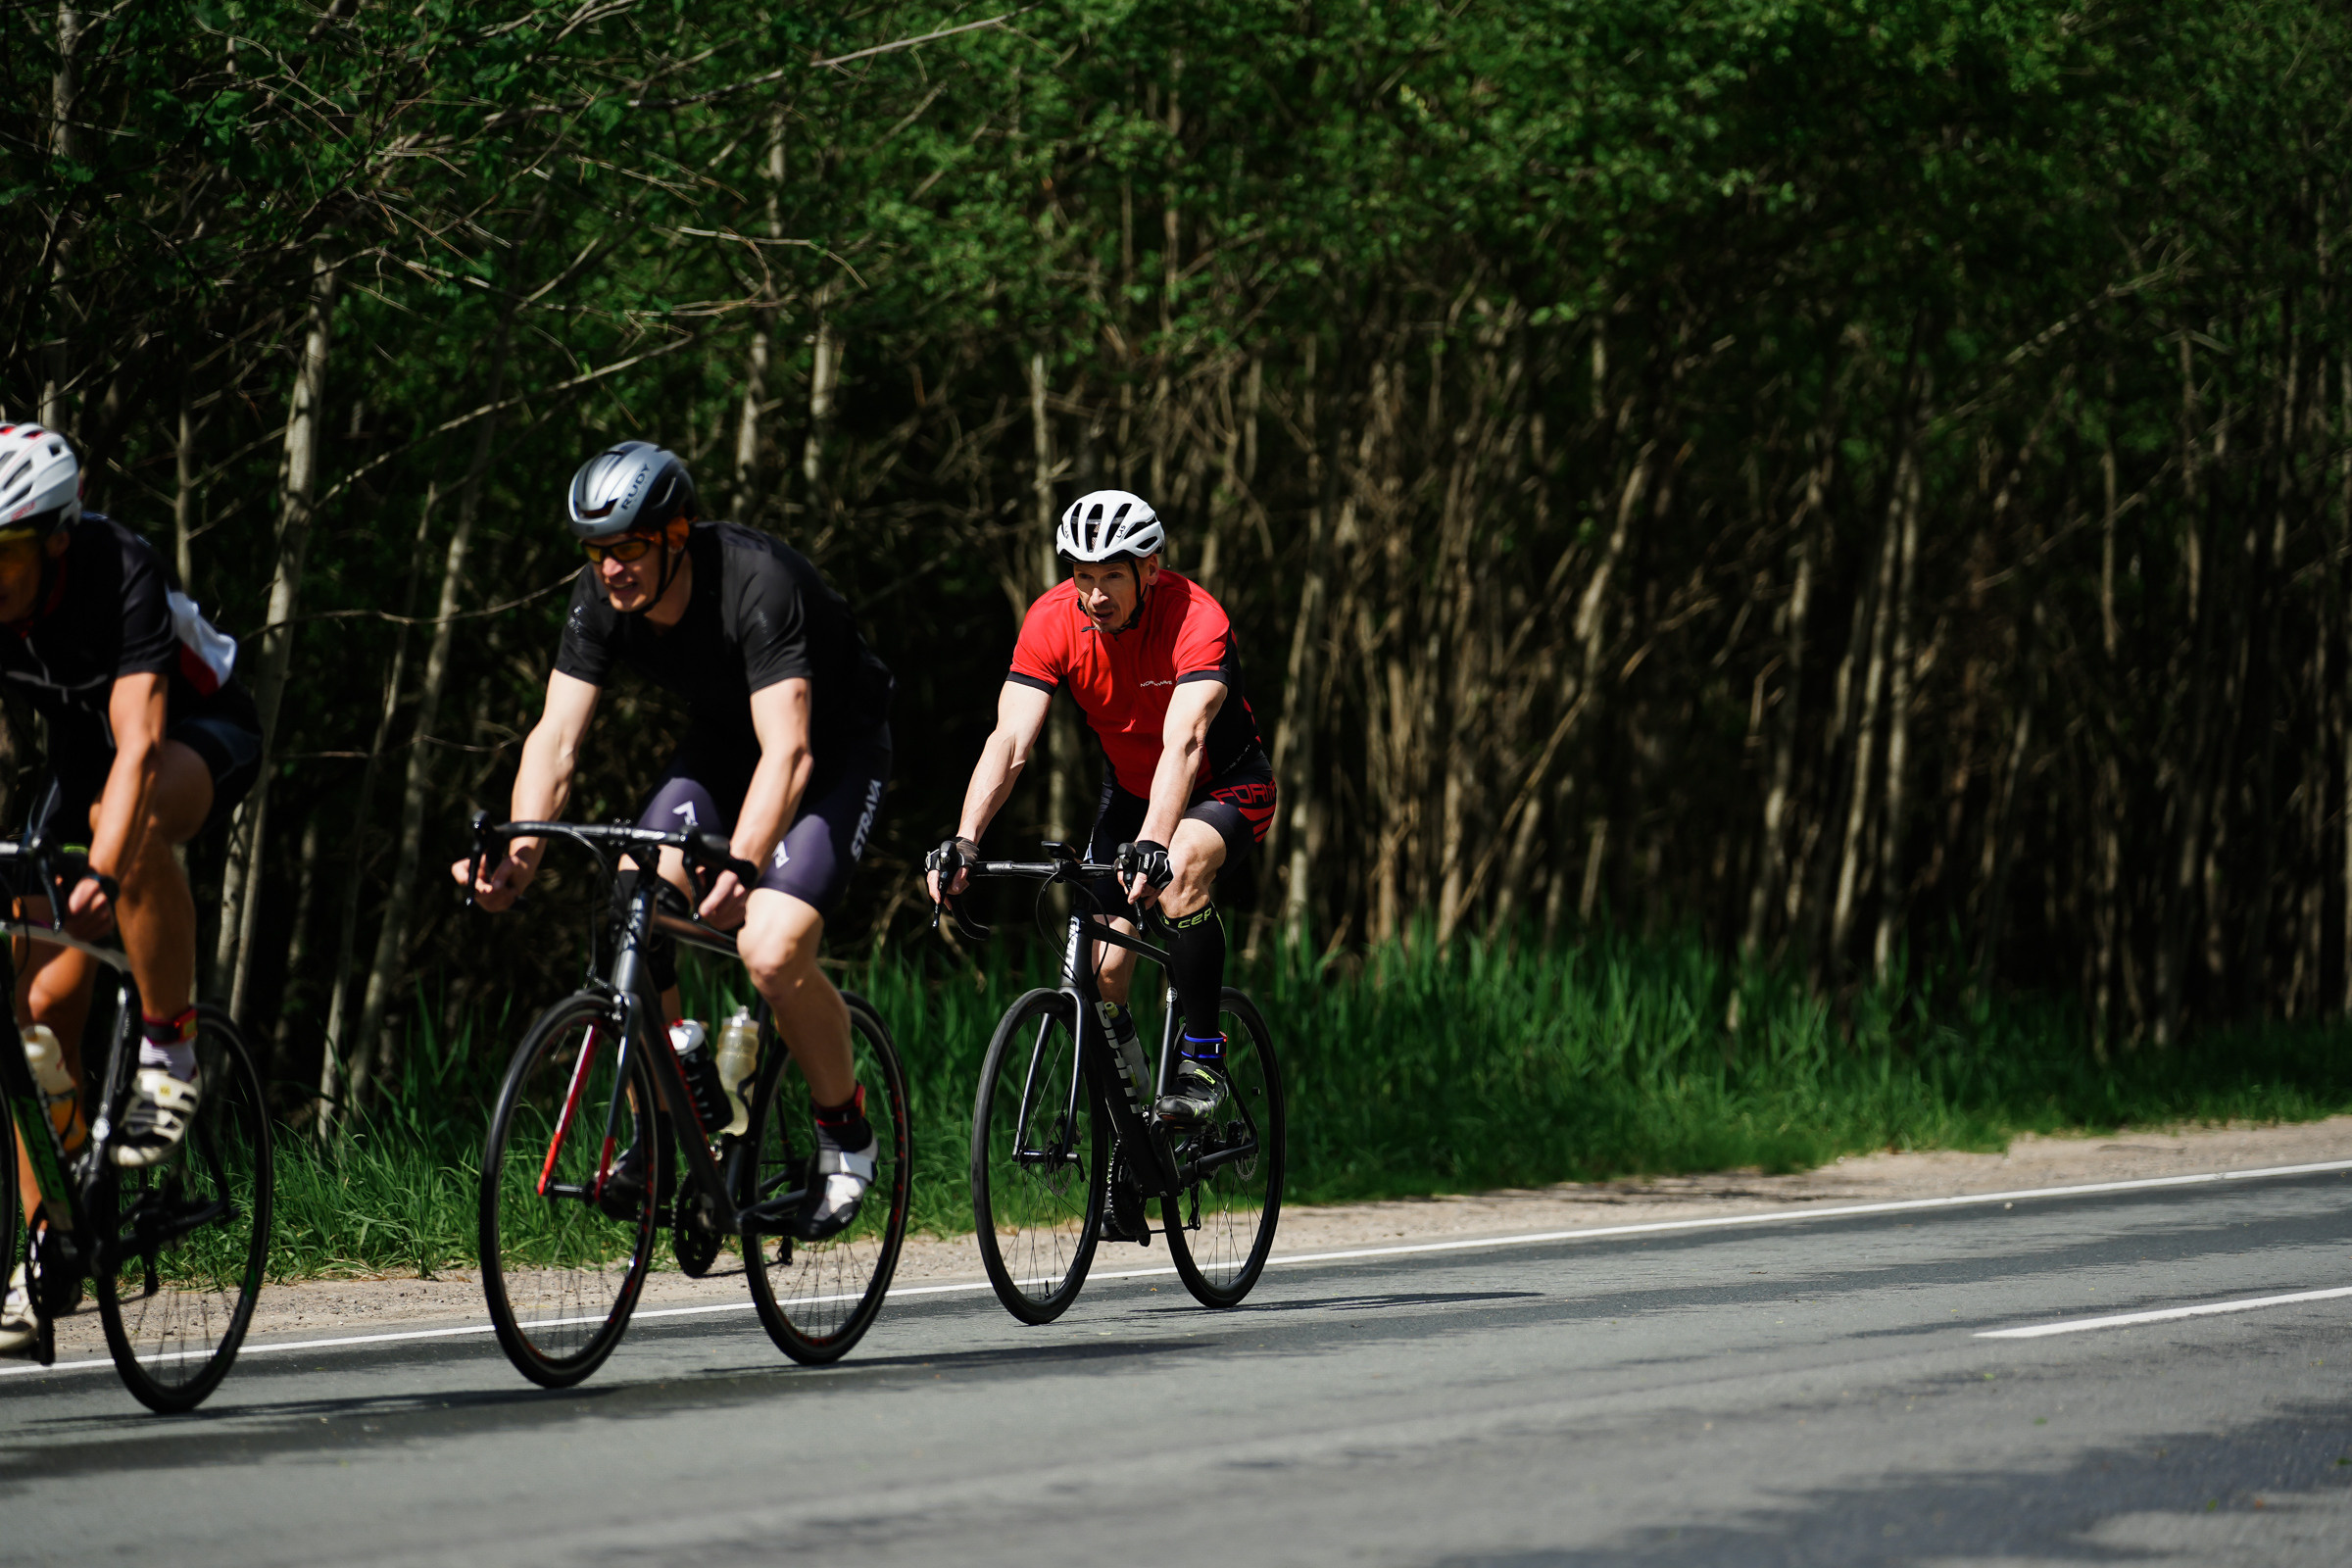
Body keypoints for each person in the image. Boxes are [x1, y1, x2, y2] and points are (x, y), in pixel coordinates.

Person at [456, 441, 893, 1237]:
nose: (611, 568)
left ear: (676, 534)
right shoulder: (598, 601)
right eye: (596, 551)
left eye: (628, 547)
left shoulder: (759, 585)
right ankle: (663, 1131)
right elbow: (555, 738)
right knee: (632, 897)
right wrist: (520, 852)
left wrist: (745, 862)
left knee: (769, 949)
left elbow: (790, 753)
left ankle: (844, 1131)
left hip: (831, 751)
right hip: (726, 749)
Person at [926, 489, 1275, 1227]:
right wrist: (965, 839)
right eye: (1081, 574)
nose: (1093, 594)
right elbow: (1011, 740)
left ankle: (1202, 1061)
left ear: (1150, 568)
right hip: (1130, 793)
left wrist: (1154, 842)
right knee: (1102, 973)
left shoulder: (1196, 619)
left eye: (1111, 576)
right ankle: (1140, 1140)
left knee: (1178, 872)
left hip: (1225, 783)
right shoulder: (1053, 619)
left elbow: (1184, 741)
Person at [0, 422, 261, 1352]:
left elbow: (139, 741)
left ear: (56, 537)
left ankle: (170, 1046)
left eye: (3, 553)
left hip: (198, 729)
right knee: (29, 1015)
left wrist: (104, 868)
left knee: (135, 812)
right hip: (83, 758)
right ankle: (52, 1241)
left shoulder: (118, 566)